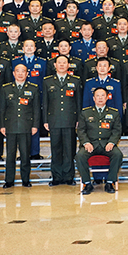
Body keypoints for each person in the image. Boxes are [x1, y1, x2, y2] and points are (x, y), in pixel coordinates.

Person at [0, 64, 40, 188]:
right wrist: (2, 125)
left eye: (23, 71)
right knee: (10, 155)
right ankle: (9, 180)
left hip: (26, 126)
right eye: (18, 71)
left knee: (25, 155)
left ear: (27, 74)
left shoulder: (33, 88)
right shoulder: (6, 88)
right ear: (14, 73)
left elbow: (36, 109)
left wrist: (35, 125)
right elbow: (2, 109)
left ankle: (25, 179)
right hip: (10, 126)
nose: (20, 74)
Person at [76, 87, 123, 195]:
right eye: (97, 96)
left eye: (102, 96)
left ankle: (110, 182)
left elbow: (117, 130)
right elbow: (81, 130)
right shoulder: (85, 112)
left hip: (107, 144)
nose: (100, 98)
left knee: (117, 155)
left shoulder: (114, 113)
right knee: (80, 156)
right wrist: (86, 142)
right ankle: (87, 183)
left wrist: (112, 142)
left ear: (107, 98)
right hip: (90, 144)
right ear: (94, 98)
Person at [42, 55, 80, 186]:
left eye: (64, 63)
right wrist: (45, 120)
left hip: (70, 119)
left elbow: (78, 102)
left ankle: (69, 176)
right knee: (56, 149)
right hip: (54, 120)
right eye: (59, 63)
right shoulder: (48, 81)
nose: (62, 65)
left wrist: (78, 119)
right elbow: (45, 102)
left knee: (69, 149)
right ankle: (57, 177)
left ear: (68, 65)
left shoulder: (75, 80)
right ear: (55, 65)